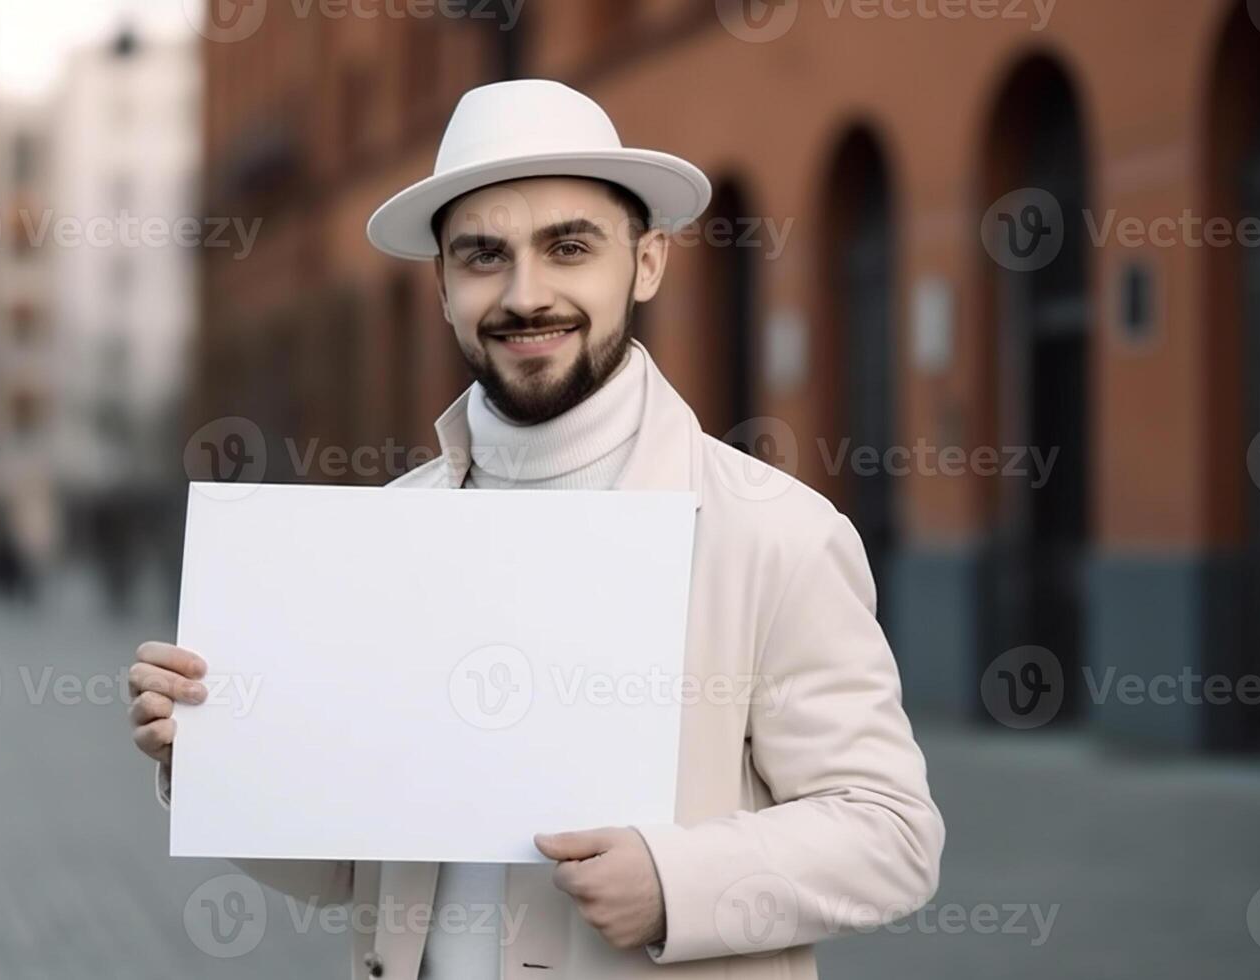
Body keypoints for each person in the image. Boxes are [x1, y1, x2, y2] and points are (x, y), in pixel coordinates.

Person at [129, 78, 943, 980]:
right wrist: (218, 757)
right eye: (483, 256)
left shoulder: (773, 534)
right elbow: (348, 871)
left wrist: (678, 881)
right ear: (440, 287)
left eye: (568, 247)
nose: (525, 294)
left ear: (645, 264)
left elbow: (892, 833)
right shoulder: (393, 531)